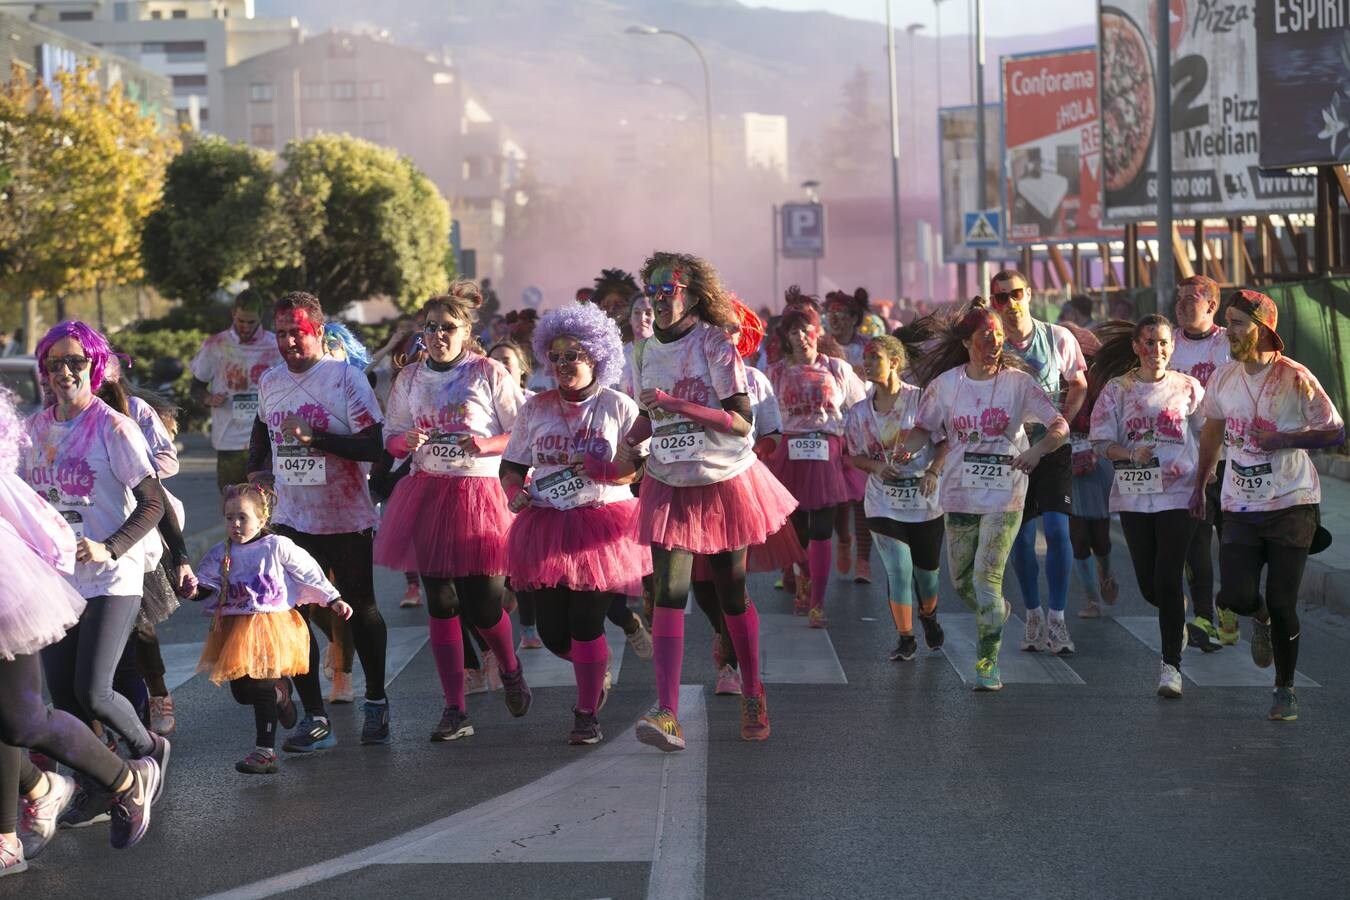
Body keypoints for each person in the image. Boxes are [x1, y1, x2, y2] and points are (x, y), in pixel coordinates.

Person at [626, 251, 798, 748]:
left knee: (729, 590)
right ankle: (667, 712)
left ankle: (752, 688)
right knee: (668, 593)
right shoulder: (641, 352)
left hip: (722, 478)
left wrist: (680, 404)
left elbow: (741, 420)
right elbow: (647, 415)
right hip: (668, 479)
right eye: (653, 291)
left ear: (693, 296)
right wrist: (625, 443)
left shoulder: (714, 343)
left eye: (670, 290)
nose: (660, 299)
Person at [0, 387, 163, 875]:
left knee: (23, 720)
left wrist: (94, 551)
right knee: (8, 718)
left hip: (6, 587)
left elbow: (30, 512)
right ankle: (38, 791)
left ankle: (125, 781)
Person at [21, 322, 171, 827]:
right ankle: (96, 785)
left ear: (95, 366)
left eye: (75, 362)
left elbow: (153, 503)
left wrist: (109, 548)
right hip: (59, 580)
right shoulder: (36, 432)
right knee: (63, 700)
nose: (64, 372)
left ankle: (149, 748)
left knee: (93, 691)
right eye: (55, 363)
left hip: (112, 576)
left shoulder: (113, 427)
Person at [373, 283, 532, 742]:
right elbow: (393, 435)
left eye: (448, 328)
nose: (438, 336)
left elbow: (522, 433)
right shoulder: (410, 378)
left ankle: (511, 668)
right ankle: (454, 709)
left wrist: (484, 443)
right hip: (426, 493)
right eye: (431, 328)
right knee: (440, 605)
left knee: (483, 607)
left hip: (479, 494)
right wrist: (407, 443)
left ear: (466, 332)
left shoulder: (488, 372)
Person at [247, 292, 392, 749]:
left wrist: (319, 438)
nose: (290, 341)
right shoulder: (270, 381)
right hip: (292, 516)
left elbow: (374, 446)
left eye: (299, 332)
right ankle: (314, 715)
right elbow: (260, 430)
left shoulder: (345, 379)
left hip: (345, 514)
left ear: (318, 332)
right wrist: (256, 471)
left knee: (359, 606)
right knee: (288, 613)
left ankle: (375, 701)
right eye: (283, 333)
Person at [1191, 291, 1344, 721]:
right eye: (1228, 322)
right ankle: (1257, 616)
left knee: (1282, 600)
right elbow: (1211, 435)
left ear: (1263, 329)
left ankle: (1285, 688)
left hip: (1292, 502)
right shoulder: (1222, 379)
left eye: (1238, 322)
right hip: (1239, 502)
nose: (1230, 331)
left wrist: (1285, 438)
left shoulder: (1294, 377)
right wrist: (1199, 484)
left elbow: (1334, 432)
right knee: (1236, 595)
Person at [501, 303, 650, 745]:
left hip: (602, 525)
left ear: (597, 358)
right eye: (558, 356)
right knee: (551, 633)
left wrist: (606, 471)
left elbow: (640, 472)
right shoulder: (535, 409)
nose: (564, 364)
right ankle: (595, 671)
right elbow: (510, 467)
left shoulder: (618, 406)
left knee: (586, 624)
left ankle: (586, 711)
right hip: (545, 523)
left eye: (576, 355)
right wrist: (515, 495)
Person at [904, 304, 1068, 690]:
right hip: (960, 493)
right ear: (966, 343)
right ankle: (994, 612)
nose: (994, 342)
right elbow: (923, 430)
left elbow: (1058, 424)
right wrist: (906, 450)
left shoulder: (1018, 383)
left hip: (1005, 493)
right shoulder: (945, 385)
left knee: (986, 578)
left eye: (997, 336)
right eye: (985, 336)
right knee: (962, 583)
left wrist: (1037, 450)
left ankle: (987, 663)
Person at [190, 484, 352, 773]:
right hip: (236, 628)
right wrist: (192, 590)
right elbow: (207, 585)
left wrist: (333, 598)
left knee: (261, 685)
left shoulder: (277, 546)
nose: (236, 525)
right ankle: (281, 695)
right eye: (229, 518)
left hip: (274, 625)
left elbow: (308, 571)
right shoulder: (221, 553)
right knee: (242, 693)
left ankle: (264, 752)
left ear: (262, 519)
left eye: (243, 517)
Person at [1089, 316, 1206, 697]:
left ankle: (1170, 666)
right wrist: (1129, 452)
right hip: (1135, 494)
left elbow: (1209, 433)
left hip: (1179, 492)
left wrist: (1209, 476)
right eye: (1149, 343)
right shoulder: (1117, 390)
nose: (1157, 350)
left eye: (1163, 343)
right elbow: (1100, 442)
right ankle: (1176, 613)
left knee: (1168, 578)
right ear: (1137, 347)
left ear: (1172, 347)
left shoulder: (1188, 387)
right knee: (1151, 585)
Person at [988, 269, 1088, 655]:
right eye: (1001, 298)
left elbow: (1079, 382)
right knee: (1023, 538)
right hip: (1013, 451)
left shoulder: (1056, 337)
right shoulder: (992, 343)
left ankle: (1058, 618)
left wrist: (1064, 420)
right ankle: (1032, 613)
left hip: (1052, 445)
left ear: (1029, 294)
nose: (1010, 303)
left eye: (1015, 294)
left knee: (1059, 533)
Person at [845, 335, 946, 661]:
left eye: (875, 358)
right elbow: (855, 456)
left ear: (895, 362)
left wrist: (933, 472)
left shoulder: (921, 401)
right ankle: (906, 638)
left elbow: (944, 442)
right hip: (882, 502)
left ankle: (928, 615)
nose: (868, 363)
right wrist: (876, 466)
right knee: (899, 570)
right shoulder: (858, 413)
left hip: (924, 499)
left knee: (927, 576)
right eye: (866, 358)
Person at [766, 301, 867, 627]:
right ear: (786, 336)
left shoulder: (838, 369)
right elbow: (763, 415)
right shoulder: (776, 372)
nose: (802, 337)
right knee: (797, 533)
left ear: (817, 331)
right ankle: (803, 579)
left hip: (827, 453)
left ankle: (817, 604)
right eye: (794, 331)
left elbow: (860, 408)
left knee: (823, 529)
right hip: (790, 456)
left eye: (807, 329)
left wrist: (860, 447)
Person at [1169, 275, 1234, 648]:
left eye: (1190, 298)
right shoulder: (1169, 345)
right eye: (1178, 299)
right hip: (1188, 459)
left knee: (1231, 540)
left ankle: (1230, 604)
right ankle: (1204, 617)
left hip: (1231, 456)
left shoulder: (1228, 343)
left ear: (1211, 305)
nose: (1181, 305)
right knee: (1196, 538)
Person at [190, 290, 284, 493]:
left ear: (261, 317)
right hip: (229, 441)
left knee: (267, 505)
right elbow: (196, 387)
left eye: (251, 322)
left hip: (267, 440)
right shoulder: (215, 345)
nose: (246, 327)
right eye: (241, 321)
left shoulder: (275, 345)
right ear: (233, 313)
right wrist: (208, 398)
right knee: (233, 504)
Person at [1061, 324, 1120, 620]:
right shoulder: (1054, 381)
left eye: (1085, 355)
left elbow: (1111, 421)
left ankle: (1106, 572)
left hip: (1098, 462)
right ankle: (1091, 599)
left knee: (1101, 537)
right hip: (1065, 464)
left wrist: (1096, 449)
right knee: (1078, 538)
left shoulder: (1102, 384)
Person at [824, 288, 875, 582]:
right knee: (836, 499)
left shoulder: (868, 348)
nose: (835, 320)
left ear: (855, 319)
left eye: (841, 315)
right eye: (830, 315)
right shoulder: (820, 347)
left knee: (861, 498)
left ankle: (864, 562)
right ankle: (843, 538)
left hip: (863, 428)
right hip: (831, 429)